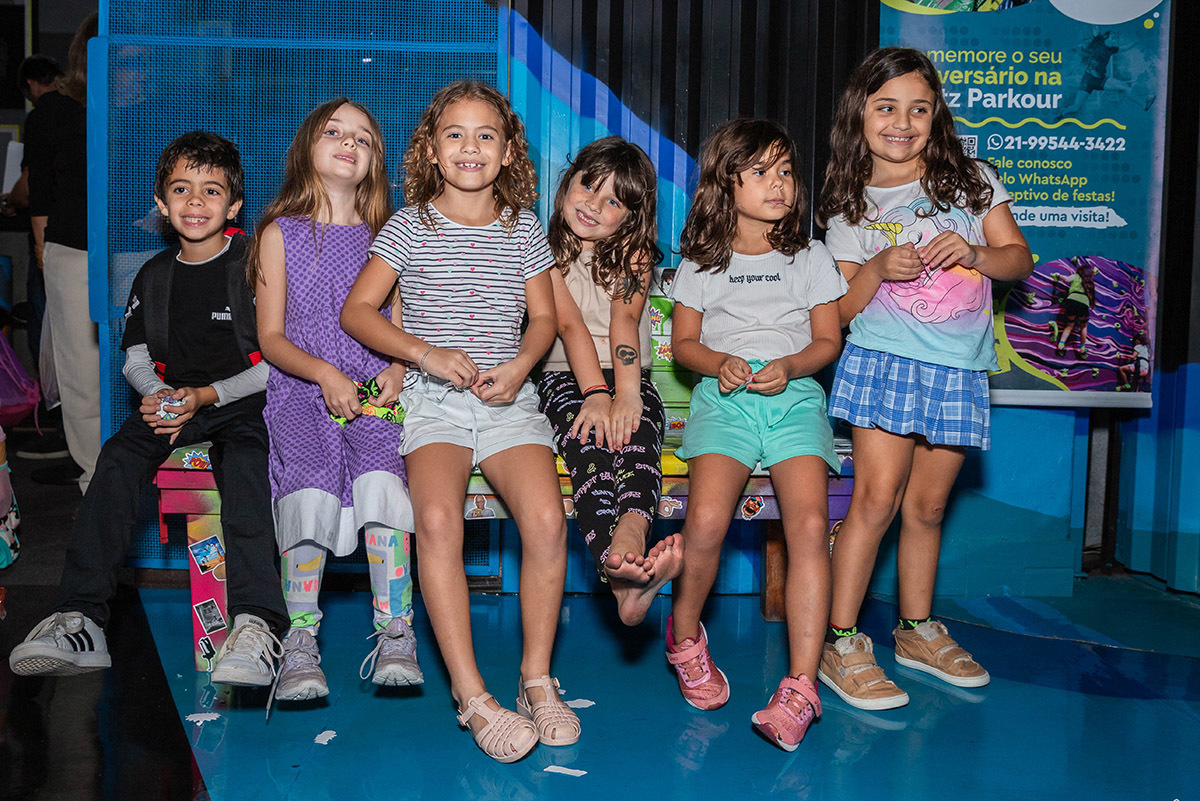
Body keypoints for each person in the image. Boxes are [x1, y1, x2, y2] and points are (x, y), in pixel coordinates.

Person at [341, 80, 578, 762]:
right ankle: (472, 696)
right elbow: (358, 312)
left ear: (507, 152)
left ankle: (537, 677)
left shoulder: (523, 226)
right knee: (437, 522)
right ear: (431, 148)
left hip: (509, 402)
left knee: (545, 521)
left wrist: (521, 367)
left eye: (485, 135)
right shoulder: (409, 225)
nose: (469, 147)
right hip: (434, 402)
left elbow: (544, 319)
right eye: (454, 134)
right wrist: (424, 353)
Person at [8, 131, 289, 686]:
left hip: (241, 404)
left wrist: (207, 397)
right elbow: (135, 358)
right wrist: (155, 396)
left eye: (212, 191)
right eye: (182, 190)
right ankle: (81, 619)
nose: (195, 202)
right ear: (161, 204)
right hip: (172, 404)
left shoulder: (254, 266)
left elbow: (276, 363)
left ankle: (259, 624)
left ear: (234, 205)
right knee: (113, 461)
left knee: (247, 473)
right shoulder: (153, 274)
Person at [815, 47, 1033, 710]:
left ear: (936, 114)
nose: (903, 121)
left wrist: (975, 251)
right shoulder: (849, 203)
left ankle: (914, 628)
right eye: (886, 107)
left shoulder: (972, 181)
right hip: (882, 363)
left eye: (918, 107)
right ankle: (841, 639)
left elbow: (1019, 260)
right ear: (860, 115)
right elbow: (840, 309)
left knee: (929, 506)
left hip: (959, 369)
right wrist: (877, 267)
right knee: (874, 501)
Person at [665, 118, 847, 752]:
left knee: (807, 529)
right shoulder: (699, 263)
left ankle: (800, 687)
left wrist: (791, 366)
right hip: (725, 400)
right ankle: (684, 635)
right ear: (726, 181)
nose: (780, 184)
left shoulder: (811, 256)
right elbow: (683, 343)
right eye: (762, 172)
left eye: (787, 171)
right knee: (706, 522)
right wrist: (720, 364)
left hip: (795, 400)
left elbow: (828, 341)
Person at [249, 98, 420, 701]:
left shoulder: (388, 234)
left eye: (364, 139)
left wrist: (398, 367)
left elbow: (399, 322)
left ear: (375, 161)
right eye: (334, 132)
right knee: (312, 482)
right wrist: (324, 375)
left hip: (375, 393)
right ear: (307, 149)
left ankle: (395, 629)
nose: (349, 143)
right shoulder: (279, 233)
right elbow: (271, 338)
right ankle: (299, 639)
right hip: (302, 389)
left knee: (383, 480)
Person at [537, 136, 683, 626]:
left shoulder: (634, 254)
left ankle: (629, 540)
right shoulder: (542, 251)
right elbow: (567, 324)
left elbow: (624, 322)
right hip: (563, 376)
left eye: (613, 201)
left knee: (638, 438)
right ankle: (622, 572)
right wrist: (596, 397)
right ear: (566, 186)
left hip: (625, 376)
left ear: (631, 216)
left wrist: (626, 395)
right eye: (588, 188)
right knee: (588, 447)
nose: (594, 207)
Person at [24, 13, 101, 490]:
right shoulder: (54, 112)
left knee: (145, 368)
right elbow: (42, 196)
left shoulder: (150, 107)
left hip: (140, 250)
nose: (127, 69)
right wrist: (42, 253)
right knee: (79, 372)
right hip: (71, 252)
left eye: (136, 60)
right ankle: (94, 481)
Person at [1049, 256, 1095, 357]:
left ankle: (1061, 344)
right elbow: (1091, 296)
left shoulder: (1076, 276)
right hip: (1084, 303)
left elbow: (1066, 279)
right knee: (1083, 327)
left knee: (1069, 325)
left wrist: (1058, 275)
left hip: (1072, 300)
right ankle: (1082, 347)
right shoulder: (1090, 283)